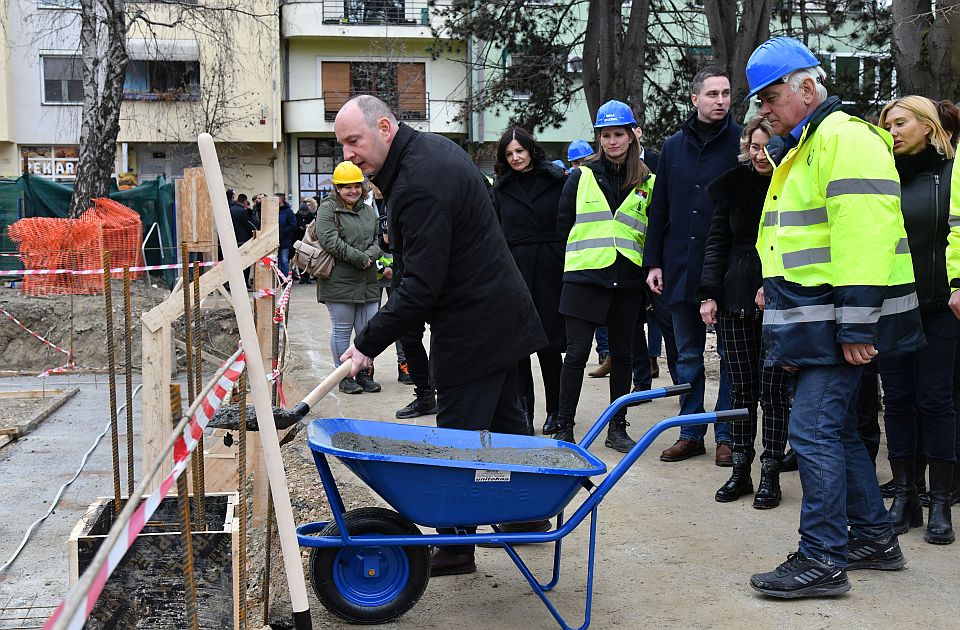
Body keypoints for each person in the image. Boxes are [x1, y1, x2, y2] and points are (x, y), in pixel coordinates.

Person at [334, 95, 547, 577]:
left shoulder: (419, 182)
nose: (348, 154)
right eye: (342, 144)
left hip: (476, 324)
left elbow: (421, 288)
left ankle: (455, 547)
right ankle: (529, 511)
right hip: (496, 313)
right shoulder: (426, 154)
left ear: (384, 127)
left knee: (456, 440)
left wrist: (367, 341)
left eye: (354, 141)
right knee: (506, 421)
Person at [744, 37, 923, 599]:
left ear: (806, 86)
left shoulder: (843, 138)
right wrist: (773, 284)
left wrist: (857, 327)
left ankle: (823, 558)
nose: (763, 110)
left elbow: (863, 235)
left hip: (844, 319)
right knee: (838, 429)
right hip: (822, 315)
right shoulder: (814, 141)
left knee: (813, 430)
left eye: (771, 96)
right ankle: (872, 538)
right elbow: (807, 235)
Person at [644, 66, 740, 466]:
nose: (720, 100)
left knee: (733, 356)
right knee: (686, 354)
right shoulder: (673, 147)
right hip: (680, 266)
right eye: (712, 94)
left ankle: (728, 434)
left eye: (726, 93)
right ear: (694, 98)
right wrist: (653, 262)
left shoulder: (741, 142)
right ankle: (690, 430)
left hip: (728, 267)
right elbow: (659, 206)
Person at [699, 116, 793, 508]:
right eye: (754, 146)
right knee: (741, 390)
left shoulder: (792, 185)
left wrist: (775, 285)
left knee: (773, 393)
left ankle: (771, 473)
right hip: (735, 293)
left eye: (767, 147)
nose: (759, 155)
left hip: (778, 295)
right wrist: (708, 293)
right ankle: (741, 471)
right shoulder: (732, 185)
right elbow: (716, 240)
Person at [876, 96, 957, 544]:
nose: (893, 131)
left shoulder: (951, 175)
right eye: (887, 124)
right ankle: (906, 495)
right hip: (893, 304)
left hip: (941, 305)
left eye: (901, 122)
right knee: (900, 399)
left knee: (936, 400)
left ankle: (940, 502)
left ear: (927, 126)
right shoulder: (881, 177)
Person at [553, 100, 653, 452]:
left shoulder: (647, 179)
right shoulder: (580, 176)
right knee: (577, 354)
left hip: (627, 279)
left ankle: (617, 428)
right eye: (606, 135)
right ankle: (564, 427)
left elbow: (649, 230)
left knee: (623, 356)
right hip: (584, 278)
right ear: (599, 138)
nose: (612, 141)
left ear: (631, 135)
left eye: (618, 134)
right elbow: (563, 226)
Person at [492, 127, 566, 436]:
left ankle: (556, 409)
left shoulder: (557, 179)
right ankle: (524, 412)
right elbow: (495, 231)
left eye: (519, 151)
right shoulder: (500, 188)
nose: (515, 158)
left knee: (549, 346)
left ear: (530, 149)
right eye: (509, 154)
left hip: (550, 267)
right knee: (519, 347)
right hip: (515, 270)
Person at [314, 161, 383, 395]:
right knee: (343, 330)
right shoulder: (328, 209)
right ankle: (343, 376)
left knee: (368, 330)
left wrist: (369, 256)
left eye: (356, 186)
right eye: (346, 187)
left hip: (368, 280)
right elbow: (329, 240)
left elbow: (377, 239)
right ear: (337, 188)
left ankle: (363, 373)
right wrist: (360, 258)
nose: (352, 191)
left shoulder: (366, 209)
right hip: (339, 281)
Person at [296, 197, 318, 284]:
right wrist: (300, 227)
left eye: (305, 212)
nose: (303, 214)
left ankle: (307, 277)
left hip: (308, 241)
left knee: (308, 260)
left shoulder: (311, 216)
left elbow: (314, 227)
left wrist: (308, 227)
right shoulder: (297, 216)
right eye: (302, 212)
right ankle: (302, 277)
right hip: (299, 240)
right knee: (300, 260)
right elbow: (295, 226)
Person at [276, 192, 297, 279]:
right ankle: (277, 280)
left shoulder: (288, 211)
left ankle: (285, 280)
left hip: (284, 240)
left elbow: (293, 224)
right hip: (274, 240)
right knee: (276, 261)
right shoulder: (273, 210)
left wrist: (284, 232)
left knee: (284, 261)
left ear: (281, 199)